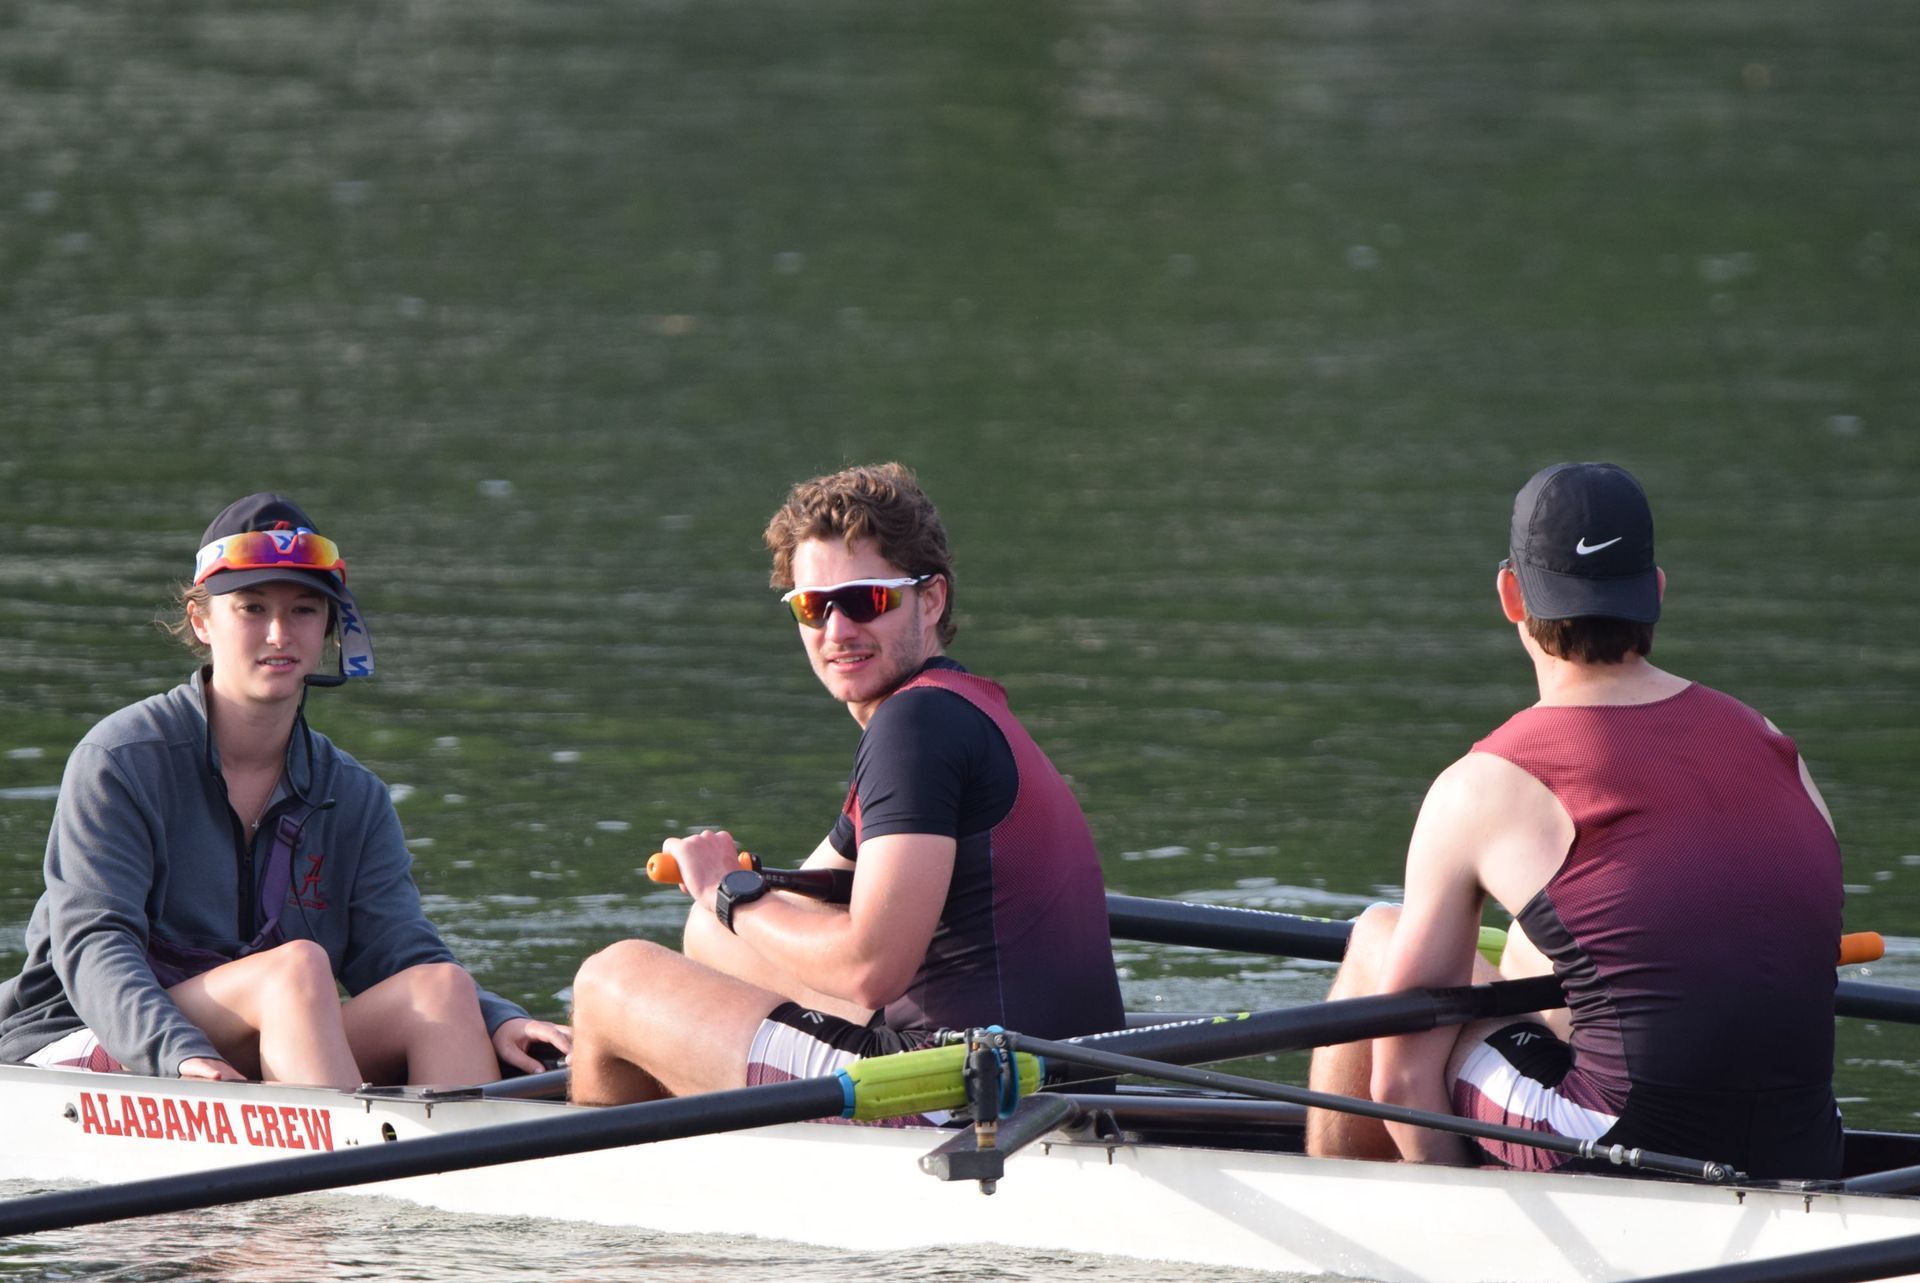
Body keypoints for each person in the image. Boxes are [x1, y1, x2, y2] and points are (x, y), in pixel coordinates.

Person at [1305, 462, 1845, 1179]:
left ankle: (1352, 1216)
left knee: (1379, 939)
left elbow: (1399, 1081)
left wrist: (1456, 1218)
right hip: (1804, 1143)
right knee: (1544, 956)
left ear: (1509, 595)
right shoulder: (1773, 743)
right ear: (1655, 592)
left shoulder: (1484, 783)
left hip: (1619, 1147)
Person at [570, 462, 1123, 1109]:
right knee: (706, 936)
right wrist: (720, 919)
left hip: (958, 1091)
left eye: (866, 599)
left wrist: (731, 889)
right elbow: (770, 927)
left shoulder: (915, 726)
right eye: (813, 605)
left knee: (611, 979)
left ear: (932, 599)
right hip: (1050, 1077)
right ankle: (631, 1062)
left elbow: (869, 969)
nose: (836, 630)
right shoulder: (957, 706)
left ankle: (623, 1166)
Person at [0, 493, 569, 1087]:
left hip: (262, 1033)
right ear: (201, 622)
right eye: (251, 607)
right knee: (295, 969)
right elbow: (95, 945)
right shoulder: (118, 759)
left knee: (442, 990)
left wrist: (499, 1019)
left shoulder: (355, 795)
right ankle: (343, 1170)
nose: (279, 633)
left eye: (303, 609)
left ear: (328, 626)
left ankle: (457, 1172)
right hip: (86, 1037)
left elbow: (399, 949)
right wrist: (178, 1053)